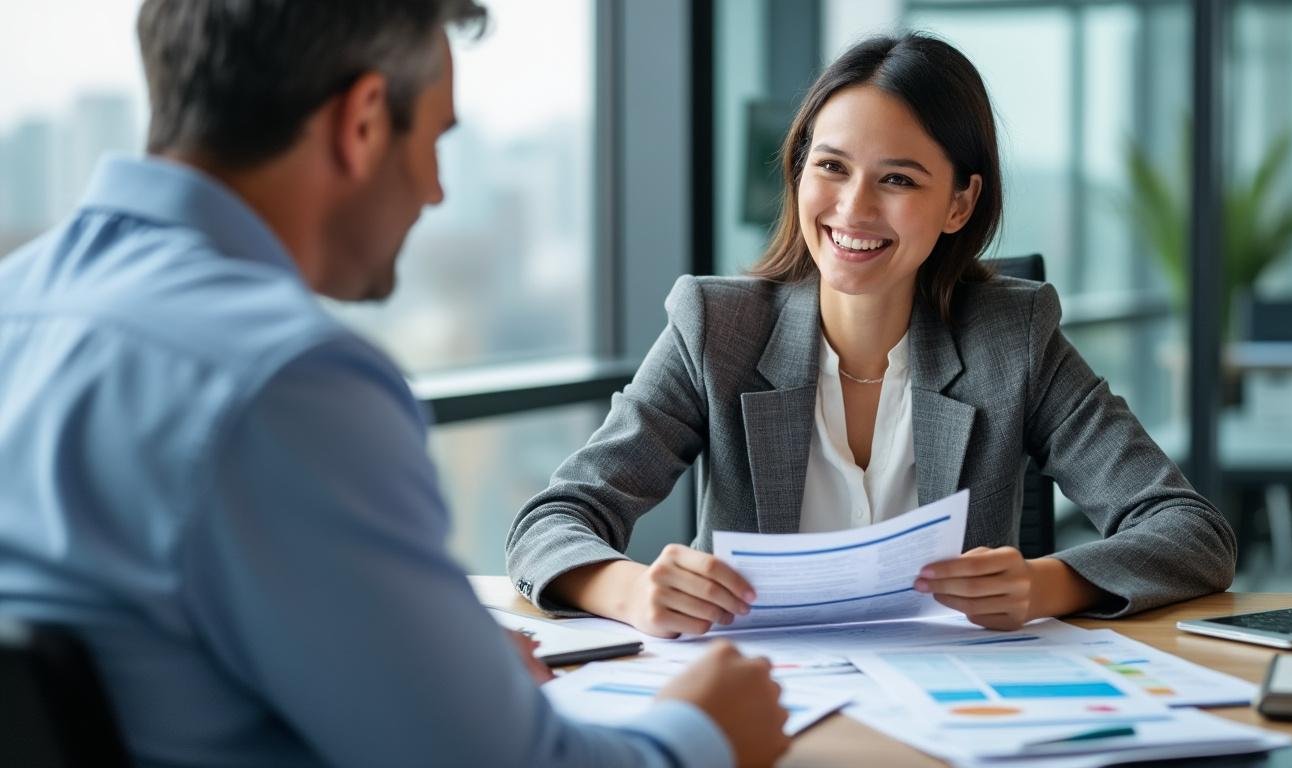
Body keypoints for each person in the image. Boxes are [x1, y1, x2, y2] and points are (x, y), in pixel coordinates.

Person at [0, 1, 791, 766]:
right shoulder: (288, 380)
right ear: (364, 121)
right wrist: (702, 732)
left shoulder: (18, 304)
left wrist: (436, 675)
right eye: (437, 139)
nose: (437, 190)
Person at [506, 32, 1237, 639]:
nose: (853, 209)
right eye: (831, 167)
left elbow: (1191, 531)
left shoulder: (1012, 339)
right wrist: (633, 590)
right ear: (799, 173)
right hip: (756, 700)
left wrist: (1047, 584)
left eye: (898, 180)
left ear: (959, 203)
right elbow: (552, 521)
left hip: (952, 709)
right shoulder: (715, 329)